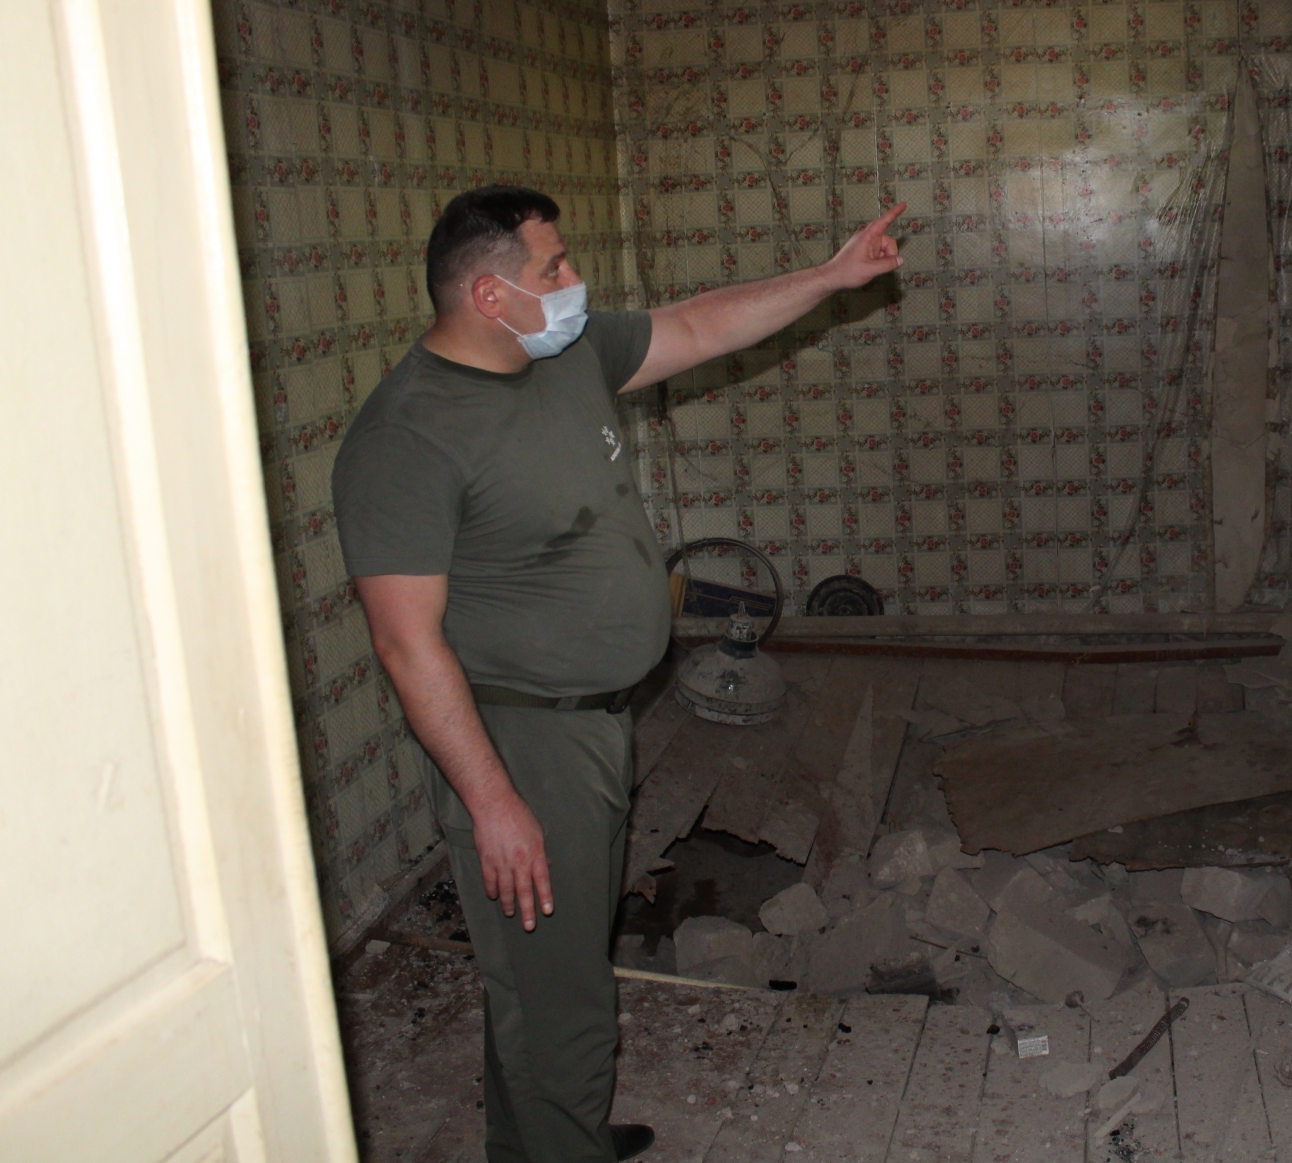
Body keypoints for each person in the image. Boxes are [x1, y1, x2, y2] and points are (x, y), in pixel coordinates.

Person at [332, 184, 904, 1162]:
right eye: (553, 267)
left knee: (541, 971)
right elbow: (405, 643)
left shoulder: (560, 355)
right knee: (564, 997)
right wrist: (494, 803)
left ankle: (537, 1141)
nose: (575, 281)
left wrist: (829, 276)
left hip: (591, 722)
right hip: (522, 737)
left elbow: (698, 325)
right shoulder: (407, 436)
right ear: (488, 294)